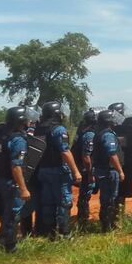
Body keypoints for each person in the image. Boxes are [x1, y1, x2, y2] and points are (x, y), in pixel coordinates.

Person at [0, 106, 38, 252]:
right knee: (13, 215)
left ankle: (0, 241)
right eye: (27, 119)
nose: (29, 121)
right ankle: (10, 247)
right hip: (12, 183)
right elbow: (16, 166)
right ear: (21, 121)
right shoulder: (18, 140)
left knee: (5, 213)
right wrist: (23, 189)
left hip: (0, 179)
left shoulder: (1, 134)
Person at [35, 101, 81, 239]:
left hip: (43, 170)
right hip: (58, 171)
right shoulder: (58, 130)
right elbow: (65, 152)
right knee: (64, 202)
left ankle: (50, 233)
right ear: (56, 114)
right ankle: (65, 234)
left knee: (48, 202)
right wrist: (75, 171)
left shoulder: (38, 129)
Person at [91, 109, 125, 232]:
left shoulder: (100, 133)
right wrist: (120, 171)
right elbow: (112, 154)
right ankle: (107, 227)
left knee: (106, 199)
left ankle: (106, 225)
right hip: (108, 172)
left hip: (102, 171)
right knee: (110, 199)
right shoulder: (108, 135)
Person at [73, 108, 98, 225]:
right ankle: (83, 219)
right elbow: (86, 156)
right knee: (86, 193)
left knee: (85, 192)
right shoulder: (90, 134)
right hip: (85, 168)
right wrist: (90, 173)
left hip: (81, 166)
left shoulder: (83, 130)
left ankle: (82, 217)